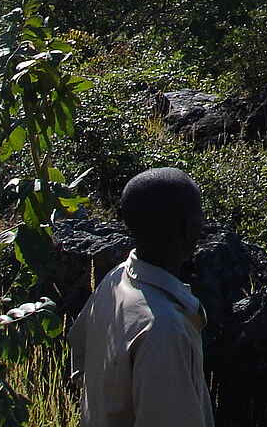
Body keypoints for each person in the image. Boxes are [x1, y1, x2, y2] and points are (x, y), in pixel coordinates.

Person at [69, 168, 215, 427]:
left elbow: (80, 354)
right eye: (199, 214)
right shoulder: (165, 329)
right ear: (185, 228)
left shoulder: (115, 280)